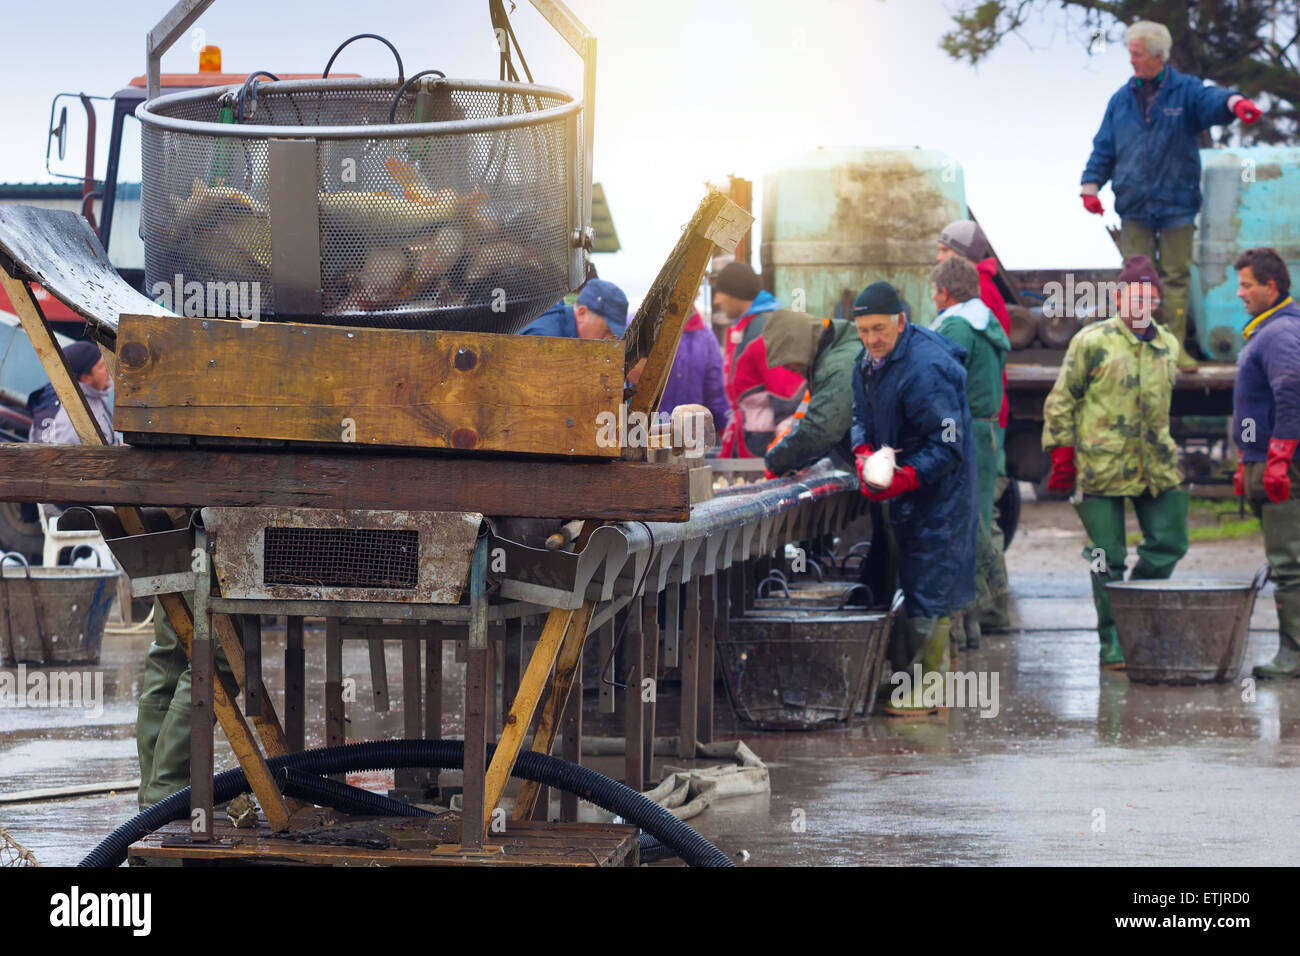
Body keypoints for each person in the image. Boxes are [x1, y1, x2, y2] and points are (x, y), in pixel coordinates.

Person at [1080, 19, 1262, 370]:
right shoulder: (1120, 101)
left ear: (1158, 56)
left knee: (1176, 277)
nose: (1131, 60)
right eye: (1130, 53)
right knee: (1136, 280)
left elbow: (1213, 100)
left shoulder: (1186, 92)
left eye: (1137, 54)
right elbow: (1104, 147)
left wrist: (1235, 104)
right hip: (1134, 206)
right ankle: (1136, 349)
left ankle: (1172, 350)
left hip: (1177, 204)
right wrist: (1090, 185)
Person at [1042, 255, 1188, 669]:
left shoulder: (1168, 345)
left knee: (1170, 543)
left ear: (1157, 301)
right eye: (1131, 296)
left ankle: (1134, 610)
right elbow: (1062, 400)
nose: (1140, 304)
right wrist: (1062, 454)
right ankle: (1113, 641)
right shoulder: (1092, 341)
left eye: (1149, 297)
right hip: (1101, 465)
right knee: (1107, 555)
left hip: (1156, 464)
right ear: (1118, 297)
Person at [850, 281, 978, 716]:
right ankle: (906, 682)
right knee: (904, 583)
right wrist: (862, 449)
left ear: (901, 321)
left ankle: (927, 689)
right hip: (903, 494)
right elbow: (859, 416)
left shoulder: (926, 368)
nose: (872, 339)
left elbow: (947, 442)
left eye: (879, 329)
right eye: (863, 330)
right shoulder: (867, 363)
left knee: (930, 587)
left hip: (940, 495)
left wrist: (907, 476)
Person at [930, 256, 1011, 650]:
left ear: (944, 293)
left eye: (934, 291)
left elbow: (940, 382)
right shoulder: (985, 322)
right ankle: (983, 616)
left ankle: (963, 627)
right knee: (980, 523)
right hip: (985, 431)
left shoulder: (957, 327)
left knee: (961, 527)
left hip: (963, 434)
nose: (932, 298)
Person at [1229, 247, 1300, 677]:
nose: (1240, 293)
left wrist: (1277, 457)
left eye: (1247, 285)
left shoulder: (1278, 334)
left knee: (1288, 562)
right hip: (1265, 461)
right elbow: (1253, 408)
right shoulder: (1266, 331)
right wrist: (1247, 456)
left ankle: (1293, 653)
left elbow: (1290, 390)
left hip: (1283, 468)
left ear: (1271, 287)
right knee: (1287, 559)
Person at [712, 261, 804, 458]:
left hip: (763, 452)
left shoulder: (765, 333)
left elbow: (787, 402)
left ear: (737, 293)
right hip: (751, 446)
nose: (717, 300)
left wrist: (782, 458)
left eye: (721, 292)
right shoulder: (747, 328)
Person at [760, 310, 862, 476]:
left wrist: (776, 461)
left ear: (797, 348)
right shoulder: (824, 361)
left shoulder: (838, 366)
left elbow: (819, 431)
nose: (786, 368)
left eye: (786, 360)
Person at [29, 340, 119, 446]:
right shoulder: (72, 424)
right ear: (85, 378)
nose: (107, 369)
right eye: (101, 366)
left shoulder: (92, 393)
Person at [658, 308, 731, 432]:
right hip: (648, 430)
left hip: (692, 431)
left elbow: (714, 389)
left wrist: (722, 428)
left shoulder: (705, 335)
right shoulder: (642, 327)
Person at [521, 278, 628, 339]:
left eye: (615, 335)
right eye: (606, 331)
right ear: (582, 313)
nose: (609, 339)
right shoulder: (545, 339)